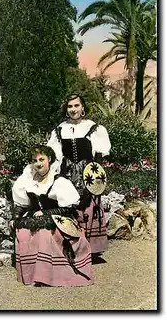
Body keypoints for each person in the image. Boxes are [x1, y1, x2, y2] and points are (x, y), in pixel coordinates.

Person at [11, 145, 93, 287]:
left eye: (41, 159)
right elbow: (21, 204)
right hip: (36, 216)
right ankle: (31, 275)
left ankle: (47, 276)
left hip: (59, 217)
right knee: (23, 232)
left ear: (49, 159)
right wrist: (15, 218)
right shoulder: (28, 180)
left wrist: (46, 213)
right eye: (34, 160)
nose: (38, 163)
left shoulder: (59, 181)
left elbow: (68, 208)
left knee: (44, 234)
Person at [47, 93, 111, 256]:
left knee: (89, 207)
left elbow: (101, 153)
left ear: (83, 108)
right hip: (67, 172)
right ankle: (72, 246)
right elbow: (55, 155)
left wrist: (96, 176)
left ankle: (90, 248)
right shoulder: (59, 130)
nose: (73, 109)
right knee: (68, 206)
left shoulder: (94, 128)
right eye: (70, 106)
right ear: (66, 109)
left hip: (88, 173)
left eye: (76, 105)